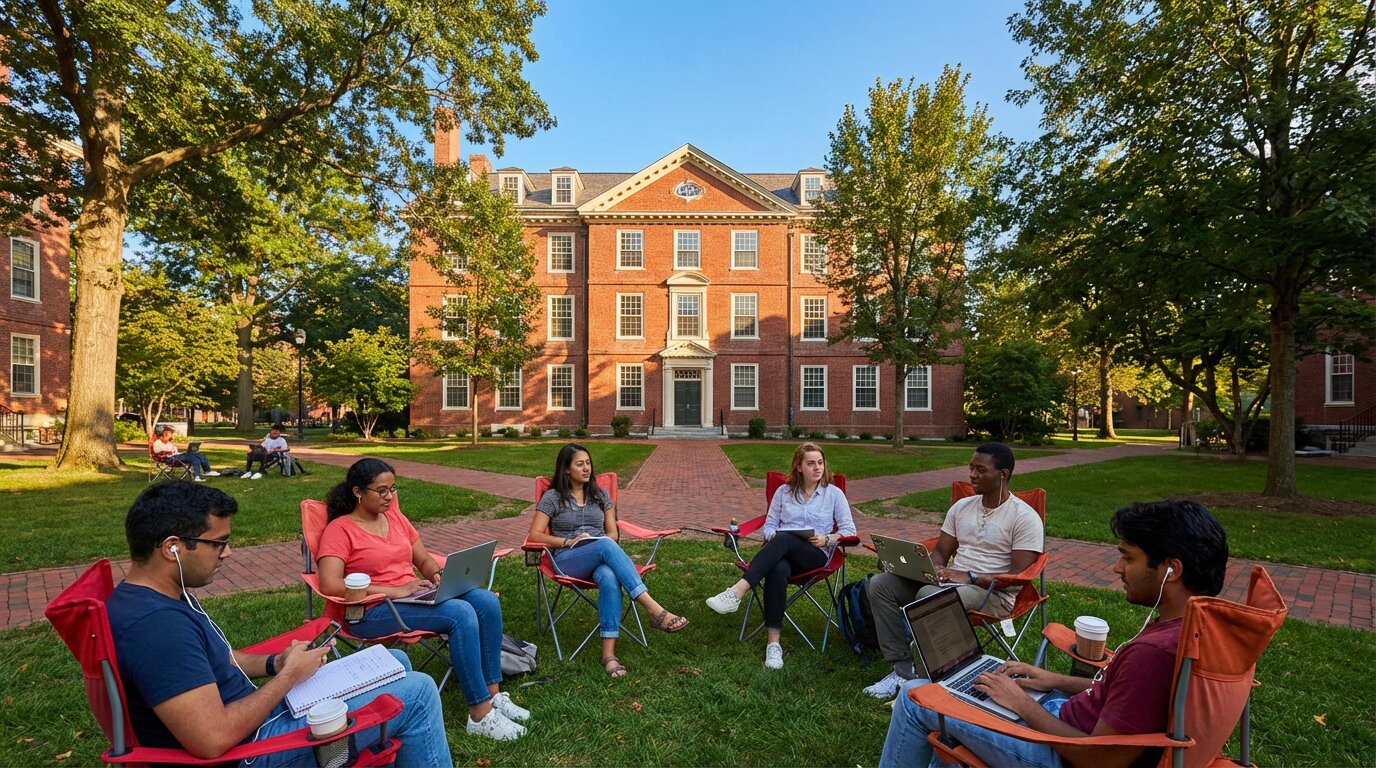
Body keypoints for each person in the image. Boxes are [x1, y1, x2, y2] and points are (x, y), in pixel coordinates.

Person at [105, 481, 451, 767]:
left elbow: (216, 660)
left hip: (253, 719)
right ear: (173, 548)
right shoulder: (156, 627)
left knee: (397, 662)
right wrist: (289, 678)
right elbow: (211, 740)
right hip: (251, 753)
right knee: (418, 691)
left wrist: (275, 663)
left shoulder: (154, 594)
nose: (228, 553)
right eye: (219, 543)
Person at [878, 499, 1230, 768]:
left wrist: (1020, 705)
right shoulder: (1197, 627)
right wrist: (1051, 680)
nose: (1117, 567)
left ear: (1172, 570)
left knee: (915, 695)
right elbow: (1127, 698)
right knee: (967, 698)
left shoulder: (1155, 652)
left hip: (1058, 753)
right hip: (1064, 714)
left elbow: (1098, 760)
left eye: (1128, 557)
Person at [316, 458, 527, 741]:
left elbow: (424, 559)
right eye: (381, 491)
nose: (389, 497)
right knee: (460, 613)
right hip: (371, 611)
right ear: (357, 492)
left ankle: (493, 694)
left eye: (392, 489)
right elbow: (331, 583)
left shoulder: (395, 518)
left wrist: (438, 576)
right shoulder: (340, 530)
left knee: (485, 601)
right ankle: (480, 714)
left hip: (413, 598)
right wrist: (395, 591)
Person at [863, 442, 1043, 699]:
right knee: (881, 584)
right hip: (950, 584)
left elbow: (1016, 578)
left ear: (1003, 474)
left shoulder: (1024, 518)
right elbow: (941, 553)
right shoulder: (962, 507)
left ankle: (926, 681)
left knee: (928, 594)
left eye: (981, 470)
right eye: (971, 468)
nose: (972, 475)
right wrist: (932, 568)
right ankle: (903, 671)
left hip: (993, 595)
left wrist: (969, 577)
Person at [527, 443, 690, 678]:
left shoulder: (600, 495)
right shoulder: (553, 497)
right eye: (579, 464)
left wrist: (595, 540)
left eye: (588, 463)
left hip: (600, 555)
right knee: (605, 545)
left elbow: (612, 533)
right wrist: (569, 541)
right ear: (565, 469)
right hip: (568, 559)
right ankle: (653, 609)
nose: (586, 469)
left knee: (609, 575)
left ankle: (609, 655)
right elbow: (535, 534)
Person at [705, 442, 856, 671]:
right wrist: (773, 534)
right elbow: (770, 526)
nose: (817, 468)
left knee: (785, 539)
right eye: (811, 463)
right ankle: (773, 646)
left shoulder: (833, 494)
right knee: (778, 567)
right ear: (798, 467)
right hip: (782, 556)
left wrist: (827, 539)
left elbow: (849, 531)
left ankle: (736, 592)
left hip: (816, 556)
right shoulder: (783, 492)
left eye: (820, 463)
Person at [151, 426, 218, 481]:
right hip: (169, 459)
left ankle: (207, 471)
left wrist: (181, 453)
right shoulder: (157, 443)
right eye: (168, 435)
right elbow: (159, 453)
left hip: (176, 456)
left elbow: (175, 451)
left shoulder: (168, 443)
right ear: (163, 435)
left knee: (199, 455)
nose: (170, 437)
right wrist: (171, 452)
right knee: (194, 458)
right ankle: (196, 476)